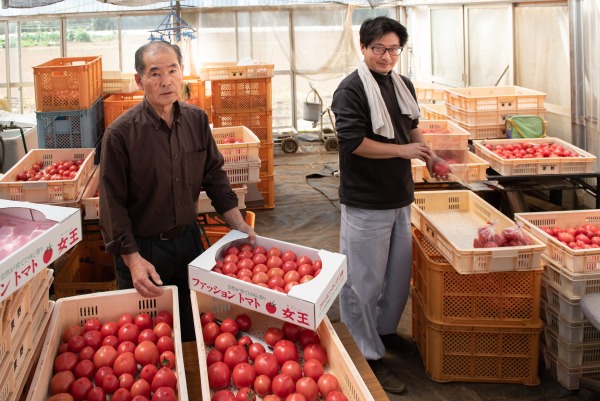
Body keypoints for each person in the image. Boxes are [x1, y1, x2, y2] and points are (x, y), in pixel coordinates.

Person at [99, 40, 256, 342]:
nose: (166, 81)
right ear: (139, 80)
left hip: (188, 242)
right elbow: (111, 204)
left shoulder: (196, 120)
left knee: (191, 328)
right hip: (143, 251)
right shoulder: (120, 134)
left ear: (182, 72)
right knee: (145, 338)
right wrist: (133, 261)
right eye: (155, 73)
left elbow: (214, 175)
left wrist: (238, 224)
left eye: (172, 70)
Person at [331, 16, 447, 394]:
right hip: (366, 200)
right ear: (363, 49)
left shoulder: (401, 84)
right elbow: (354, 143)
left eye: (393, 49)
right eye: (378, 48)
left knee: (397, 277)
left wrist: (428, 155)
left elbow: (411, 125)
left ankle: (385, 332)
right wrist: (403, 151)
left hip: (400, 196)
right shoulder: (350, 90)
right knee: (363, 281)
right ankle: (367, 352)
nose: (386, 56)